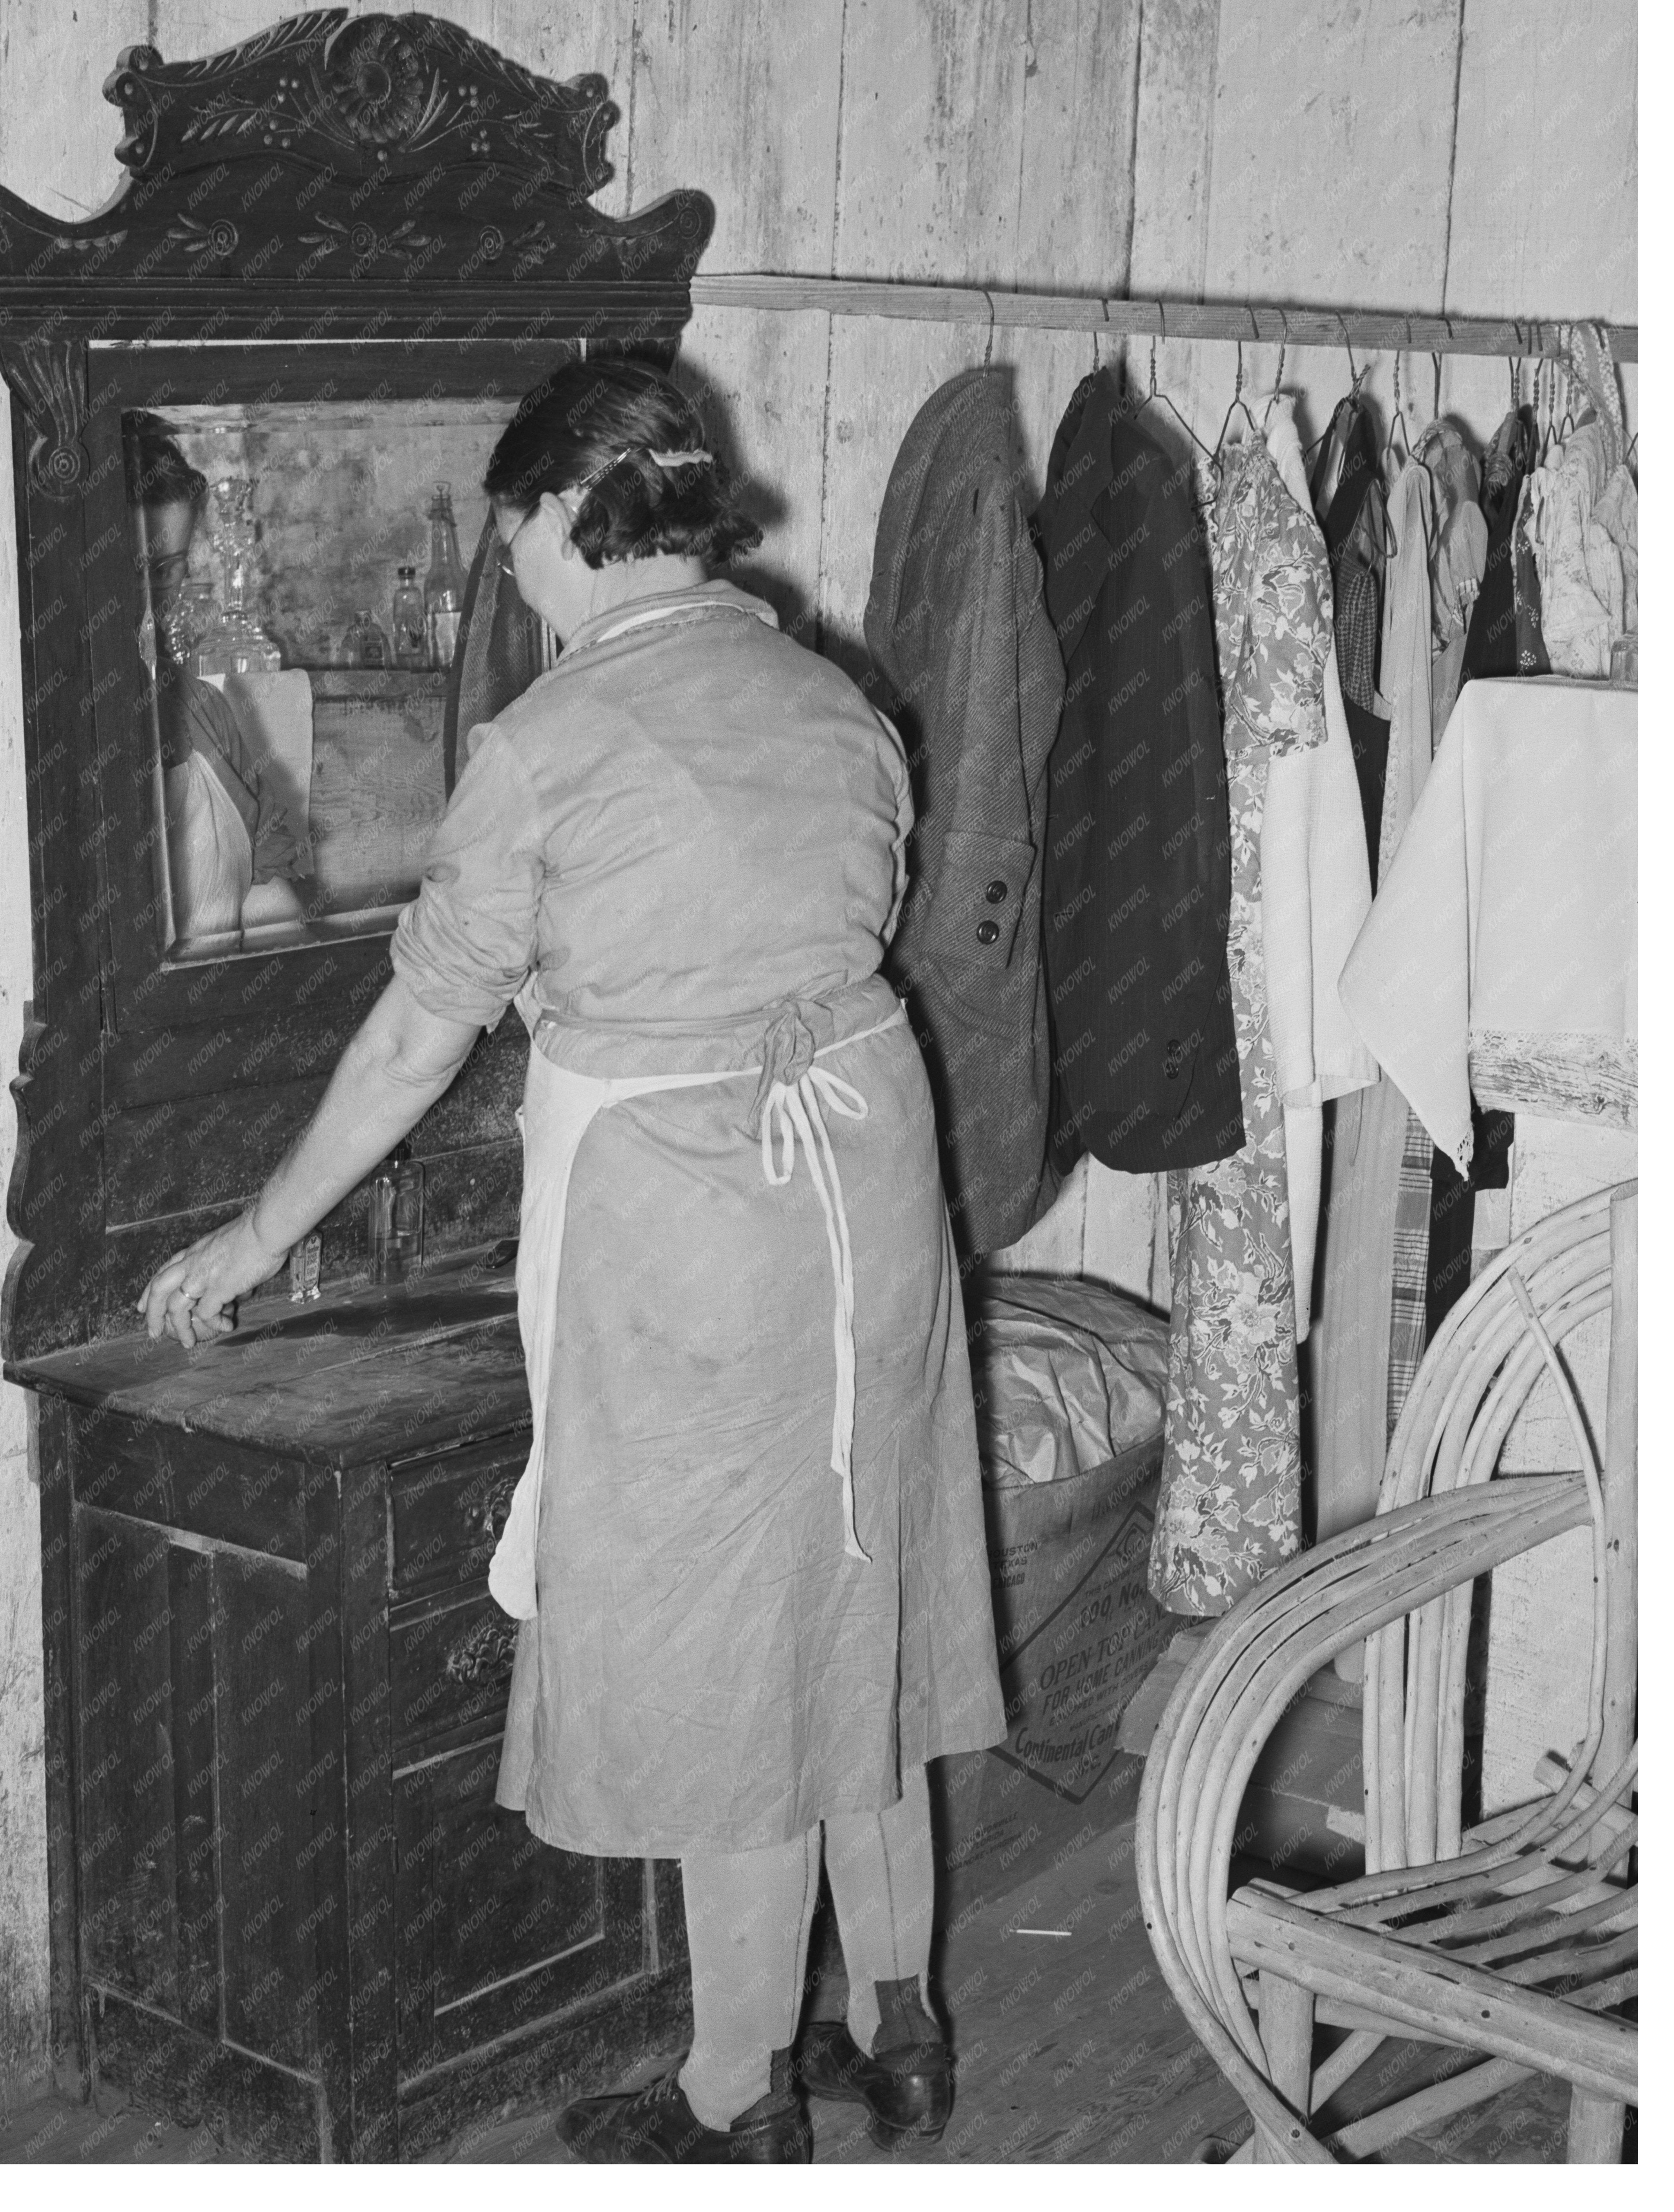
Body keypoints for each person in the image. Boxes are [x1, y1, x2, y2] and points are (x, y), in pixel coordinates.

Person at [137, 362, 1006, 2164]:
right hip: (864, 1156)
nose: (505, 571)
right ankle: (896, 2024)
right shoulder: (832, 698)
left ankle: (734, 2093)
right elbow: (795, 923)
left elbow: (406, 1045)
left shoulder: (542, 747)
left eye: (507, 533)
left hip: (694, 1213)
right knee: (863, 1571)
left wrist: (252, 1232)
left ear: (560, 518)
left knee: (724, 1645)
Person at [128, 414, 310, 949]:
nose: (148, 597)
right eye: (132, 567)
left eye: (167, 570)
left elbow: (266, 864)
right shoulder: (66, 720)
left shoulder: (202, 708)